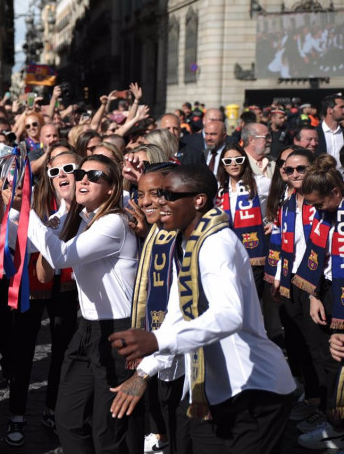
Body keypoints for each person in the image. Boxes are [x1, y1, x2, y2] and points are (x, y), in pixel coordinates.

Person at [110, 164, 296, 454]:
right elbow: (176, 312)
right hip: (214, 392)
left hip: (253, 391)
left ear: (198, 200)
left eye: (167, 196)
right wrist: (144, 372)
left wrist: (157, 340)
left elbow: (228, 315)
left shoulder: (215, 243)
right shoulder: (189, 243)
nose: (158, 203)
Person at [25, 154, 139, 453]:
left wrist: (24, 212)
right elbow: (45, 270)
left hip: (119, 333)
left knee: (108, 432)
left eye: (94, 176)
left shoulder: (114, 222)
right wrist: (49, 230)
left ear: (113, 188)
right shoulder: (79, 220)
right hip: (86, 329)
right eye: (81, 174)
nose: (83, 179)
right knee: (68, 420)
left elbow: (61, 257)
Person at [3, 143, 80, 447]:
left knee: (62, 352)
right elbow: (14, 239)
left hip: (67, 286)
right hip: (32, 285)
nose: (61, 175)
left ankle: (52, 409)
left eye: (68, 169)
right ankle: (16, 414)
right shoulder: (33, 198)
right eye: (54, 170)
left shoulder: (85, 201)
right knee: (23, 353)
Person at [124, 162, 184, 454]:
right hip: (160, 345)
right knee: (164, 404)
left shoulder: (190, 236)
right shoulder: (159, 229)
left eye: (155, 194)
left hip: (184, 349)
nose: (145, 201)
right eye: (140, 193)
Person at [293, 154, 344, 450]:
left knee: (339, 361)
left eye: (318, 203)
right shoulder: (323, 214)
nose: (313, 209)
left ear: (335, 192)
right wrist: (313, 296)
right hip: (324, 290)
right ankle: (332, 421)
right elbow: (315, 255)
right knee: (326, 359)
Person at [216, 143, 271, 298]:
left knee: (251, 301)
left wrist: (275, 223)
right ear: (223, 165)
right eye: (228, 161)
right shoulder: (219, 190)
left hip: (254, 255)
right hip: (228, 254)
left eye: (238, 159)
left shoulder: (260, 183)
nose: (233, 164)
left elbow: (282, 196)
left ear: (244, 161)